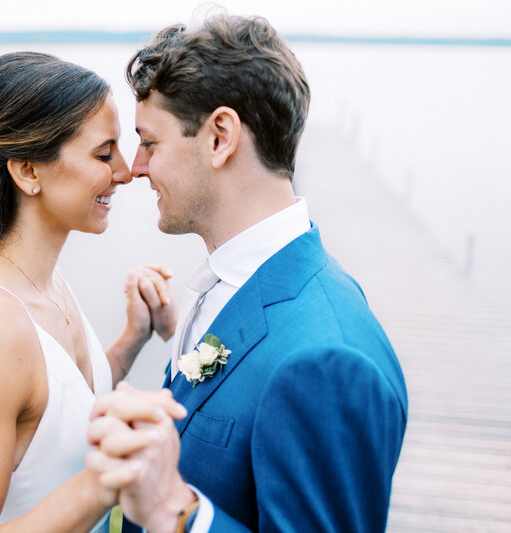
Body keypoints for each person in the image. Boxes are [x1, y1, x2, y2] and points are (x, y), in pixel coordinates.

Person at [85, 15, 409, 533]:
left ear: (219, 137)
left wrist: (175, 509)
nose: (137, 167)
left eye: (150, 142)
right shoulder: (226, 285)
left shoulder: (329, 362)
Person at [0, 51, 177, 532]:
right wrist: (101, 486)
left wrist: (132, 339)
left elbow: (54, 411)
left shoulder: (46, 279)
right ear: (28, 171)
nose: (125, 171)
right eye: (103, 154)